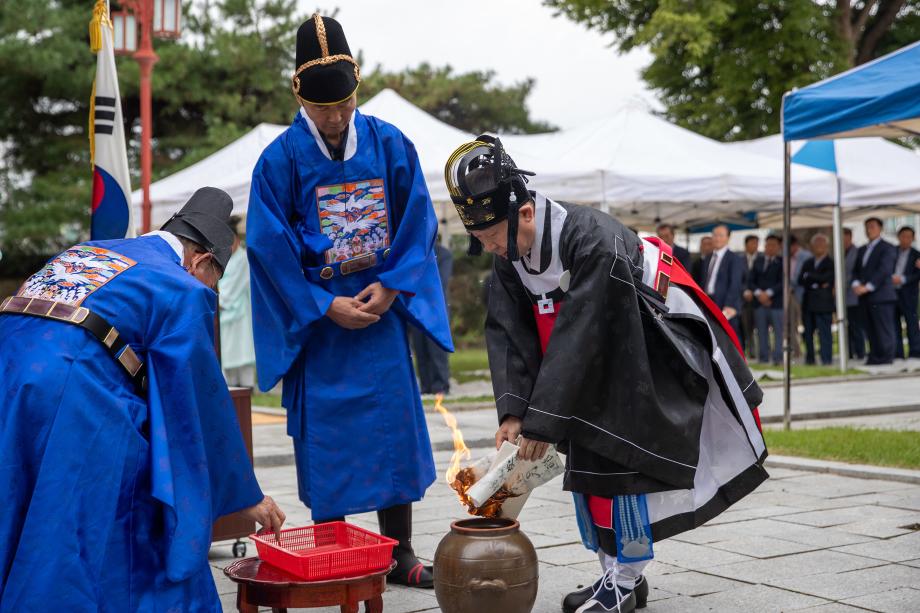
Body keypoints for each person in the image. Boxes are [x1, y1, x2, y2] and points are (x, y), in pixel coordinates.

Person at [444, 137, 767, 613]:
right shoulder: (509, 253)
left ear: (526, 214)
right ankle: (613, 577)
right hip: (576, 363)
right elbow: (509, 332)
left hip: (638, 350)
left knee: (620, 470)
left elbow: (585, 331)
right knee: (583, 471)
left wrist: (543, 420)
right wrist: (515, 412)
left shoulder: (593, 239)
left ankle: (626, 577)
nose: (490, 248)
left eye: (492, 236)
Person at [0, 188, 285, 612]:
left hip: (9, 366)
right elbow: (200, 403)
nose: (209, 292)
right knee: (120, 507)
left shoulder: (94, 249)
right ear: (202, 260)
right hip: (72, 386)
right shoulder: (181, 285)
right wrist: (246, 494)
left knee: (15, 496)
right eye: (213, 283)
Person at [246, 14, 452, 588]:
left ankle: (401, 552)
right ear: (300, 96)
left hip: (379, 313)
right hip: (322, 324)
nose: (335, 118)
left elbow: (419, 222)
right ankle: (335, 549)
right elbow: (267, 247)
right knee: (328, 442)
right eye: (322, 108)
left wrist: (390, 287)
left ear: (355, 91)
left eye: (342, 105)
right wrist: (320, 304)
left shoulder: (390, 143)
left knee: (394, 433)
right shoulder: (280, 160)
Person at [410, 237, 453, 394]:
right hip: (416, 309)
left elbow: (441, 281)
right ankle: (426, 386)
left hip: (436, 310)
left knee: (436, 349)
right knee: (420, 349)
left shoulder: (443, 254)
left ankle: (441, 385)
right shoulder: (414, 254)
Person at [852, 217, 898, 365]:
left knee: (883, 328)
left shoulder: (887, 247)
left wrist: (869, 286)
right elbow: (856, 270)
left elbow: (884, 270)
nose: (869, 230)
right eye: (867, 227)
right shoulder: (862, 249)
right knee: (870, 328)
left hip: (881, 295)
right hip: (865, 296)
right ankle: (875, 356)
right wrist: (856, 284)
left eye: (872, 226)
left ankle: (886, 356)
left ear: (880, 228)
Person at [219, 215, 257, 387]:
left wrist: (217, 299)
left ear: (236, 239)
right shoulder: (227, 259)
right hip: (225, 317)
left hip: (239, 317)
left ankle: (247, 394)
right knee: (228, 364)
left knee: (243, 364)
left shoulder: (243, 258)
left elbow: (229, 290)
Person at [701, 224, 745, 340]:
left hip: (726, 304)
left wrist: (730, 305)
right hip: (708, 301)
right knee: (711, 337)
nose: (717, 238)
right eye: (715, 235)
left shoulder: (734, 258)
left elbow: (735, 283)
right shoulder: (708, 257)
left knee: (729, 339)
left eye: (721, 235)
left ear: (728, 238)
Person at [746, 235, 784, 365]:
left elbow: (783, 282)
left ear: (779, 247)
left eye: (774, 245)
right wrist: (759, 294)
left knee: (778, 332)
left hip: (776, 303)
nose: (770, 247)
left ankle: (778, 358)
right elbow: (750, 281)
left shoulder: (782, 262)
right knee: (761, 331)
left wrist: (768, 294)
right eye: (768, 245)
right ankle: (763, 357)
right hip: (759, 302)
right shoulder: (758, 261)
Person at [799, 234, 835, 366]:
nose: (819, 246)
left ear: (826, 246)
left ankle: (827, 359)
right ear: (812, 246)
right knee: (807, 334)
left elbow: (827, 278)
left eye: (822, 243)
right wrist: (818, 281)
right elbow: (800, 280)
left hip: (824, 304)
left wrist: (810, 277)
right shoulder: (808, 262)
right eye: (816, 243)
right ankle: (810, 359)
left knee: (824, 333)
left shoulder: (830, 263)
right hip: (808, 303)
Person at [892, 226, 920, 359]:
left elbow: (918, 274)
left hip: (909, 294)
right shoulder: (892, 252)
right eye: (903, 236)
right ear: (898, 237)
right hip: (892, 294)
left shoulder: (917, 255)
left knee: (911, 324)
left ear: (913, 238)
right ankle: (898, 353)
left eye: (909, 236)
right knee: (894, 324)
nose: (905, 239)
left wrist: (903, 279)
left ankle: (915, 352)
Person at [844, 228, 867, 360]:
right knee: (847, 326)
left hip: (854, 296)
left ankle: (860, 352)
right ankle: (849, 352)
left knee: (856, 326)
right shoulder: (840, 251)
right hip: (844, 297)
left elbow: (853, 272)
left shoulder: (856, 252)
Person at [789, 235, 812, 360]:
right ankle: (797, 351)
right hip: (791, 295)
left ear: (794, 245)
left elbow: (800, 276)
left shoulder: (806, 256)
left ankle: (808, 350)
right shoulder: (788, 258)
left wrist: (790, 284)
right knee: (792, 323)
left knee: (804, 324)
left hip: (802, 294)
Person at [740, 234, 760, 359]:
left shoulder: (762, 259)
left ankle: (755, 351)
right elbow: (737, 279)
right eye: (753, 243)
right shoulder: (739, 259)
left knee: (756, 327)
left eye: (757, 243)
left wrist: (755, 292)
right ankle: (746, 351)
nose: (755, 246)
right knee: (745, 326)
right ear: (746, 244)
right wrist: (744, 291)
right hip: (743, 300)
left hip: (757, 299)